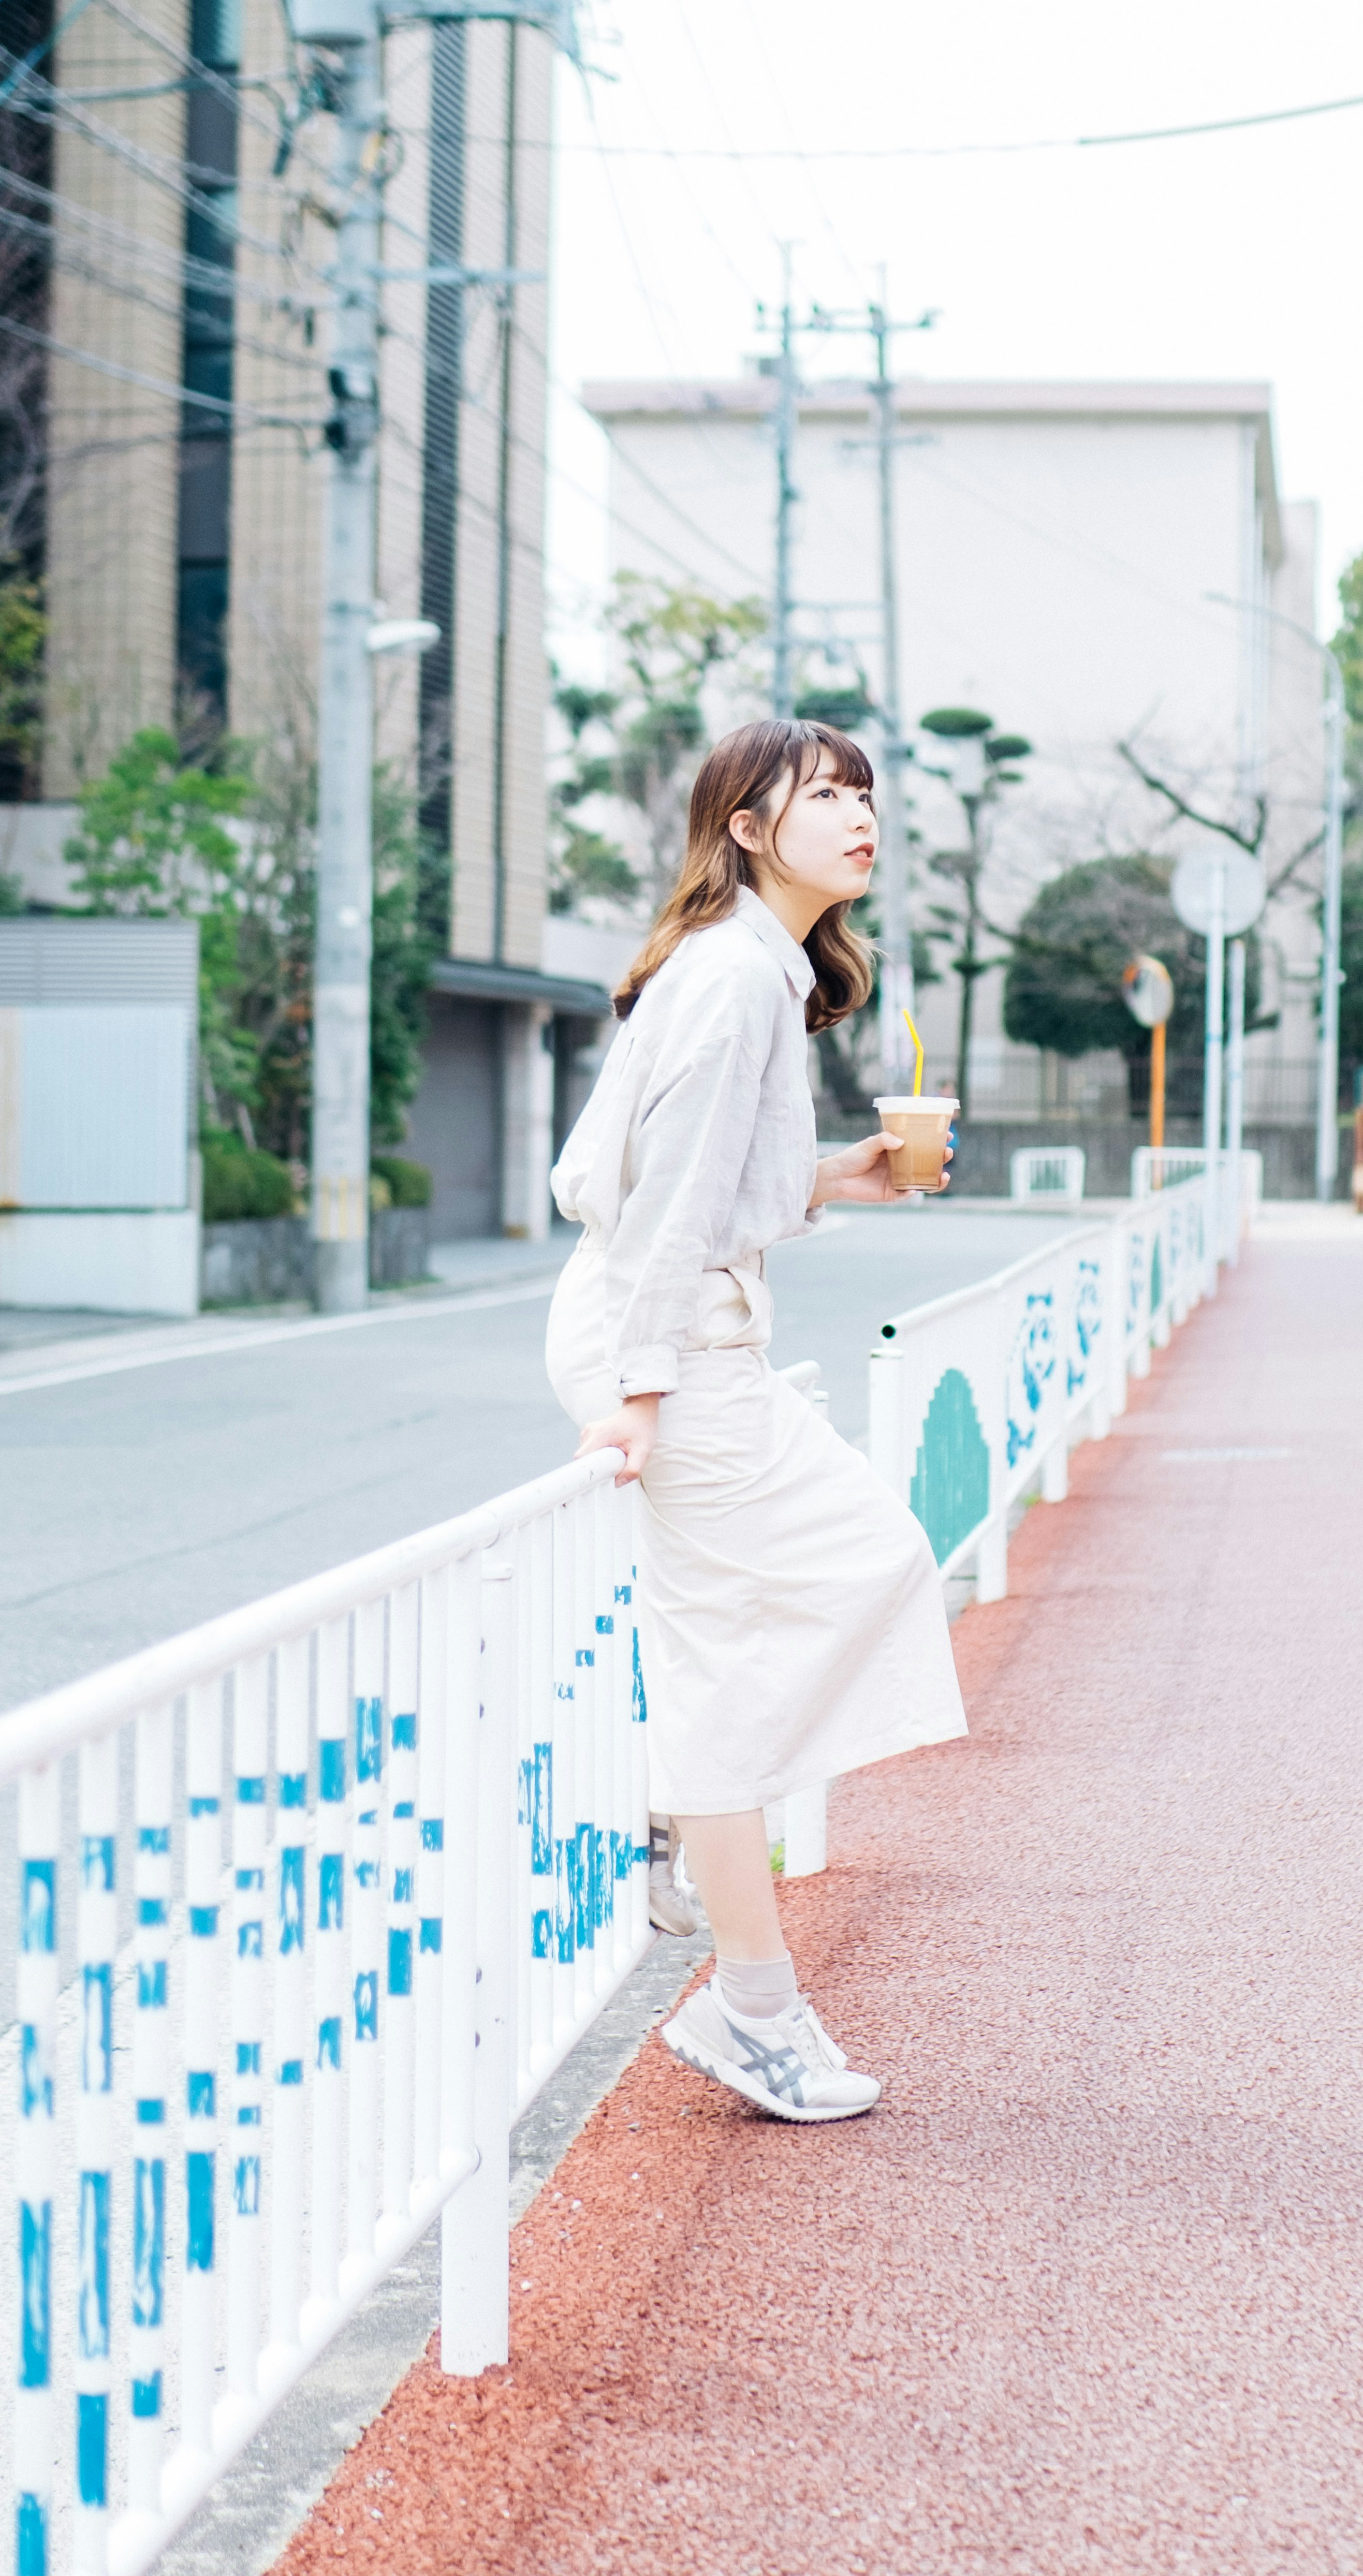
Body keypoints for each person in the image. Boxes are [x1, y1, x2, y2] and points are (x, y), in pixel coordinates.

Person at [544, 717, 968, 2124]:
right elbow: (665, 1209)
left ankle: (731, 1943)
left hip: (673, 1334)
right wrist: (641, 1395)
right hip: (677, 1348)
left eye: (866, 793)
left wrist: (842, 1175)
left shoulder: (750, 973)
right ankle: (712, 1914)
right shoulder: (735, 982)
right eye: (827, 792)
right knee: (866, 1571)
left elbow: (718, 1184)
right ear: (744, 825)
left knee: (737, 1658)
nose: (861, 814)